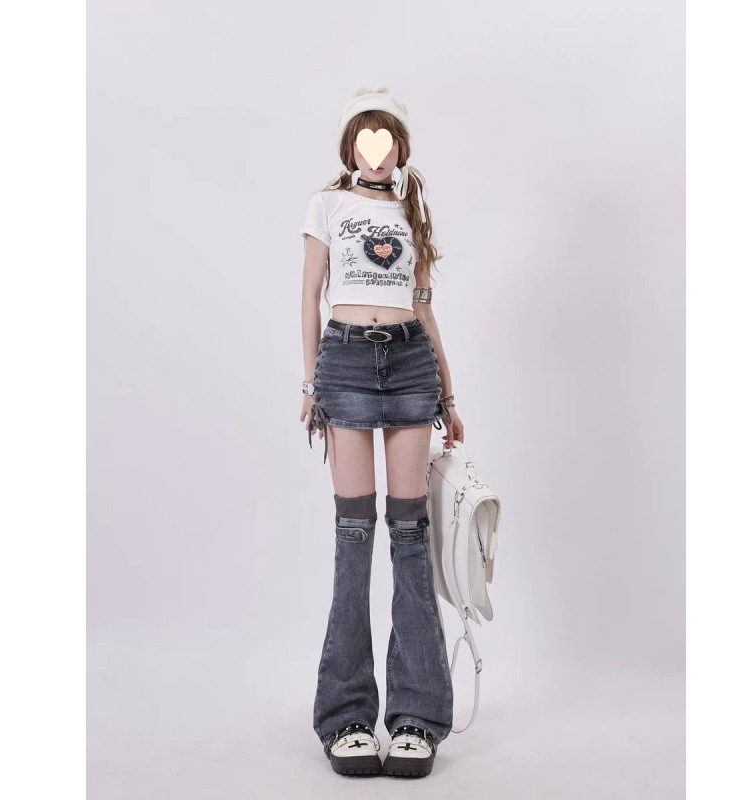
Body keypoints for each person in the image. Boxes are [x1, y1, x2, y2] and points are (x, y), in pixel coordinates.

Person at [299, 86, 463, 779]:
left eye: (386, 139)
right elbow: (309, 296)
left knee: (409, 537)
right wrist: (310, 384)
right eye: (365, 139)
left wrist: (447, 392)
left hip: (410, 364)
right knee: (352, 536)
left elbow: (423, 307)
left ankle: (416, 718)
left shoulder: (412, 210)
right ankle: (345, 716)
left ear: (400, 148)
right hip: (343, 362)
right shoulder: (327, 205)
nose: (375, 151)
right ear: (349, 148)